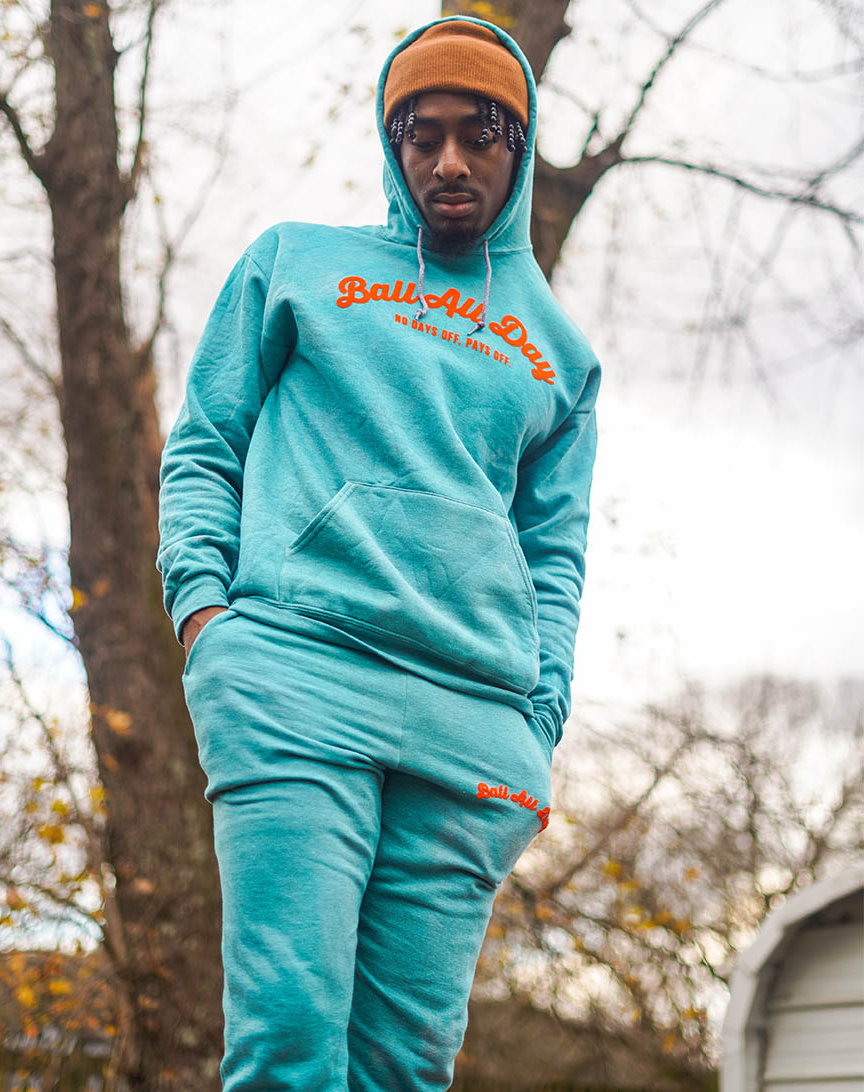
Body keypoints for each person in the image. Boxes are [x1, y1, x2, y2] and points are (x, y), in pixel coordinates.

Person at [157, 14, 601, 1092]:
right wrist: (207, 618)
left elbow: (553, 553)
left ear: (518, 146)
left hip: (473, 729)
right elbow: (206, 446)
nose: (448, 161)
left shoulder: (561, 352)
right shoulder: (296, 264)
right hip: (294, 679)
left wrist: (538, 716)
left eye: (478, 135)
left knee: (406, 1066)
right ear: (392, 144)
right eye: (421, 134)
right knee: (287, 1041)